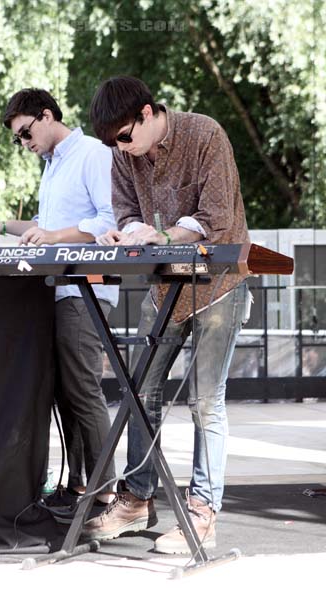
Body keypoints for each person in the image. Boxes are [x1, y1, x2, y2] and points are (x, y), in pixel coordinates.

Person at [83, 75, 252, 553]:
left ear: (149, 113)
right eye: (111, 141)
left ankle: (203, 512)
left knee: (204, 401)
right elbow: (124, 211)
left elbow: (217, 218)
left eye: (124, 136)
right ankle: (137, 499)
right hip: (166, 291)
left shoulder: (206, 134)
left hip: (219, 287)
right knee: (139, 390)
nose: (121, 148)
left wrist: (166, 236)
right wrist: (130, 232)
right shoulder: (122, 154)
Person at [0, 88, 118, 508]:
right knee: (62, 391)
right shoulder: (52, 166)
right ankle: (76, 485)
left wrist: (52, 236)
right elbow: (43, 225)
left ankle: (105, 491)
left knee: (83, 389)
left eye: (25, 133)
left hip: (85, 289)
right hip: (54, 290)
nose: (24, 144)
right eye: (18, 138)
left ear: (48, 115)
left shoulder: (92, 153)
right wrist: (0, 226)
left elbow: (107, 221)